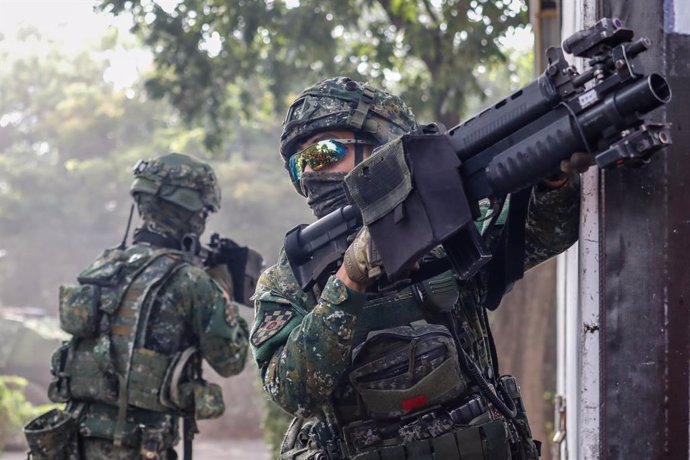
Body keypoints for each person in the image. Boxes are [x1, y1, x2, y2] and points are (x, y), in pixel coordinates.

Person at [251, 76, 580, 460]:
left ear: (380, 146)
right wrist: (349, 280)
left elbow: (546, 232)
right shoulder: (290, 275)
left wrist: (554, 177)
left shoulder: (446, 227)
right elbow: (291, 389)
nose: (309, 172)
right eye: (299, 163)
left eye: (323, 153)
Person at [25, 153, 249, 459]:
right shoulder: (192, 282)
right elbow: (231, 360)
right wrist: (223, 290)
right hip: (135, 445)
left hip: (73, 438)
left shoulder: (106, 264)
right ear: (194, 212)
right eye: (204, 212)